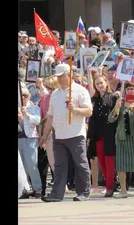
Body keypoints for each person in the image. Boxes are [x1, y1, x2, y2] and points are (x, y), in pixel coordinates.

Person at [39, 64, 93, 202]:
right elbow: (50, 116)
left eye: (61, 76)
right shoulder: (55, 94)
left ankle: (83, 192)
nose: (59, 79)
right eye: (58, 76)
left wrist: (75, 110)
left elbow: (88, 111)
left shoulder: (81, 91)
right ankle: (56, 194)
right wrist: (45, 135)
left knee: (80, 163)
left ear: (69, 74)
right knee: (59, 166)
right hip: (59, 134)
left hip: (76, 133)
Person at [108, 82, 134, 199]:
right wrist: (116, 107)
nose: (130, 91)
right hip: (122, 137)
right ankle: (123, 190)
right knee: (121, 165)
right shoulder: (120, 104)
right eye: (128, 89)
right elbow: (111, 119)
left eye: (132, 89)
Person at [87, 75, 119, 197]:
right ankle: (109, 183)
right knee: (101, 161)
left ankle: (110, 186)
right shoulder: (94, 99)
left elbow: (115, 115)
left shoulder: (113, 97)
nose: (99, 85)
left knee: (109, 160)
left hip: (109, 132)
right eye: (97, 84)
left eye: (101, 82)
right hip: (97, 133)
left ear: (106, 83)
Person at [18, 87, 42, 198]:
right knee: (21, 166)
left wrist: (26, 115)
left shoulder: (34, 107)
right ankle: (24, 188)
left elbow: (37, 120)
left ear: (29, 96)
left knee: (31, 164)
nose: (23, 98)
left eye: (25, 95)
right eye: (21, 95)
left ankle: (37, 188)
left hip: (30, 137)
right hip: (19, 137)